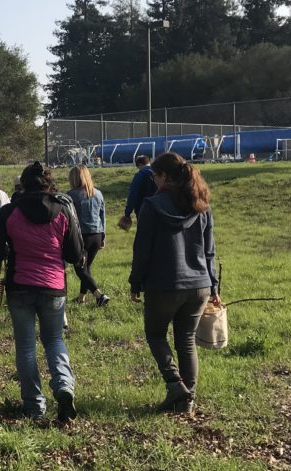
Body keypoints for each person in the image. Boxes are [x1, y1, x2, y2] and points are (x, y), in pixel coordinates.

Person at [0, 161, 85, 423]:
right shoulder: (62, 209)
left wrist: (3, 254)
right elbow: (74, 254)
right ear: (49, 183)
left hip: (20, 286)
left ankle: (34, 405)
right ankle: (64, 387)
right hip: (53, 287)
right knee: (54, 340)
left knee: (26, 346)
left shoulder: (10, 211)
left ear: (23, 184)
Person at [129, 152, 221, 415]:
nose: (155, 182)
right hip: (200, 284)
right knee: (187, 339)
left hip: (163, 284)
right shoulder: (202, 206)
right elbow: (209, 250)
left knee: (156, 335)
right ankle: (187, 400)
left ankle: (175, 385)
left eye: (156, 176)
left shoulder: (152, 205)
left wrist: (136, 282)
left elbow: (142, 250)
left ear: (165, 176)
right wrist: (213, 286)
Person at [66, 165, 109, 307]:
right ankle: (81, 298)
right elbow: (103, 217)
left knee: (79, 269)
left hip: (81, 237)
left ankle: (99, 295)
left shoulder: (70, 196)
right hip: (96, 235)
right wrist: (103, 236)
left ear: (73, 179)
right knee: (86, 267)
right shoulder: (98, 193)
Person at [118, 155, 157, 231]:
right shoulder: (158, 174)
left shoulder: (140, 175)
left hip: (142, 210)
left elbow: (133, 195)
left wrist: (127, 213)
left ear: (139, 165)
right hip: (158, 209)